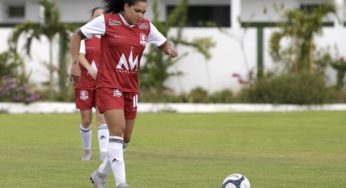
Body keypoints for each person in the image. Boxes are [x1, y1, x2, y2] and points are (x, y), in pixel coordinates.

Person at [70, 0, 178, 187]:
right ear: (126, 6)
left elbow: (162, 42)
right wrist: (74, 65)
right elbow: (77, 36)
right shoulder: (107, 21)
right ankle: (122, 184)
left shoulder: (145, 26)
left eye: (144, 12)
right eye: (137, 11)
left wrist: (168, 49)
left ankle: (100, 174)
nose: (141, 15)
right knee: (117, 132)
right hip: (108, 85)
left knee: (125, 139)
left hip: (131, 87)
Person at [74, 7, 109, 161]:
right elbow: (80, 56)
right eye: (96, 16)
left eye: (102, 16)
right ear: (91, 18)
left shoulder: (109, 37)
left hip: (103, 83)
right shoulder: (84, 36)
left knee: (102, 117)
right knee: (86, 120)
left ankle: (103, 153)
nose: (99, 18)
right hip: (85, 82)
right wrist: (90, 69)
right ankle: (87, 150)